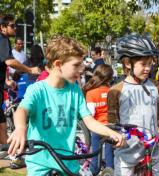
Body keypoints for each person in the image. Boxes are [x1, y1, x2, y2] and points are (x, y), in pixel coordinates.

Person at [7, 36, 125, 175]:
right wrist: (20, 128)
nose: (81, 69)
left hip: (68, 163)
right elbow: (22, 110)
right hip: (41, 165)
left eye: (81, 64)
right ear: (58, 64)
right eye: (76, 65)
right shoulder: (37, 90)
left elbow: (89, 121)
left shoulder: (74, 91)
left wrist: (110, 133)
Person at [107, 34, 159, 176]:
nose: (148, 68)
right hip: (127, 153)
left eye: (150, 64)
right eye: (143, 64)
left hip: (152, 152)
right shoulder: (116, 90)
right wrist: (115, 136)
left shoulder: (155, 87)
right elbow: (112, 123)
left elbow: (158, 117)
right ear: (127, 63)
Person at [0, 14, 40, 159]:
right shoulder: (3, 39)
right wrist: (29, 70)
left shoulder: (4, 41)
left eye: (15, 25)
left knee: (2, 124)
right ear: (2, 27)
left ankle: (11, 154)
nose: (15, 28)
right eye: (12, 25)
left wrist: (7, 81)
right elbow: (9, 62)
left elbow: (3, 63)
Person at [83, 64, 114, 174]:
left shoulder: (91, 93)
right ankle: (110, 171)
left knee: (95, 152)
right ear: (110, 78)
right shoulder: (112, 91)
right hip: (111, 127)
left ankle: (94, 171)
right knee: (110, 152)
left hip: (97, 127)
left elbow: (91, 113)